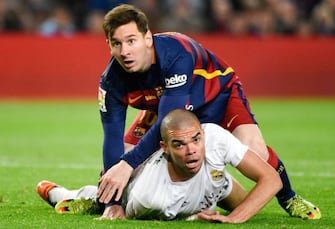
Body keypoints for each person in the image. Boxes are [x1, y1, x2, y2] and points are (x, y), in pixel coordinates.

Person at [96, 4, 321, 220]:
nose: (124, 51)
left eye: (131, 41)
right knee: (125, 154)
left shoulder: (175, 54)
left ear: (147, 38)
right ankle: (100, 199)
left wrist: (126, 165)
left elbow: (167, 121)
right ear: (108, 45)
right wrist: (112, 203)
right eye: (116, 44)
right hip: (168, 104)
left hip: (216, 95)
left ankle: (289, 197)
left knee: (256, 150)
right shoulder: (110, 82)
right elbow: (112, 140)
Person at [37, 109, 281, 223]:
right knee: (105, 200)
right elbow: (182, 216)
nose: (192, 149)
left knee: (247, 204)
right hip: (134, 192)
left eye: (196, 139)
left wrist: (236, 218)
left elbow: (272, 179)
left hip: (214, 184)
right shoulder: (150, 197)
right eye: (179, 144)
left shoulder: (215, 136)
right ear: (165, 147)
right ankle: (68, 195)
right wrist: (196, 216)